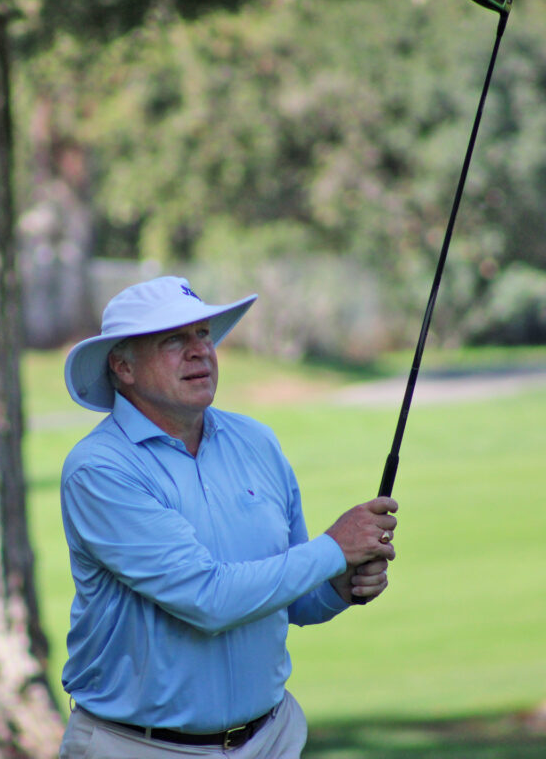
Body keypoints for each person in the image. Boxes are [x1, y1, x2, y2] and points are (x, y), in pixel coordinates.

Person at [59, 276, 398, 759]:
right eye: (173, 339)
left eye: (203, 334)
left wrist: (341, 586)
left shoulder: (256, 441)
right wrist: (333, 550)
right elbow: (208, 598)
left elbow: (296, 599)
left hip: (271, 738)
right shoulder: (100, 469)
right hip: (138, 746)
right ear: (123, 366)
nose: (200, 350)